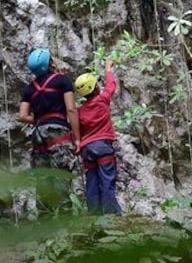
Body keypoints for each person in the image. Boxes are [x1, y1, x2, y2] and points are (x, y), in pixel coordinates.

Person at [18, 48, 81, 201]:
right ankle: (65, 221)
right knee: (61, 179)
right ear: (50, 64)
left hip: (38, 134)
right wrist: (77, 138)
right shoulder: (62, 80)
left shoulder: (29, 89)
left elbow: (22, 116)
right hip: (58, 132)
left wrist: (40, 120)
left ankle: (45, 220)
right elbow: (71, 109)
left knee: (43, 182)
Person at [74, 58, 121, 215]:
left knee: (92, 183)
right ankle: (111, 216)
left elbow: (77, 129)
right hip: (103, 147)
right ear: (96, 88)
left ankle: (93, 216)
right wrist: (108, 69)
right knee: (107, 181)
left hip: (87, 149)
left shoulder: (80, 111)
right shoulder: (103, 100)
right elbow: (111, 85)